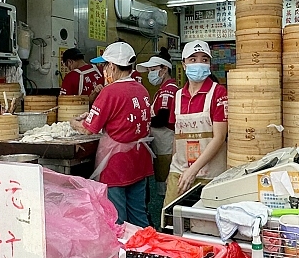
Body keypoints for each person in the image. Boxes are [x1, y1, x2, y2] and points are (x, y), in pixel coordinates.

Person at [71, 42, 154, 227]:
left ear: (113, 67)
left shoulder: (110, 91)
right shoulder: (142, 89)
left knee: (117, 218)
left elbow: (88, 129)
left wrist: (74, 123)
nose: (104, 70)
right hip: (139, 160)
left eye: (105, 65)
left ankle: (122, 254)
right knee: (138, 214)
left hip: (117, 164)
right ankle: (146, 251)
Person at [164, 40, 229, 208]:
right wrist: (173, 167)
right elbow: (176, 137)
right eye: (193, 59)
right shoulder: (178, 96)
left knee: (204, 225)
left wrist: (193, 171)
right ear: (184, 65)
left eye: (204, 59)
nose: (199, 63)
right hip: (179, 172)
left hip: (210, 174)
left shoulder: (218, 92)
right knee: (170, 221)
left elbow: (219, 137)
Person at [136, 49, 178, 188]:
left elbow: (162, 119)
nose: (150, 74)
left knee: (166, 183)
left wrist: (142, 121)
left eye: (152, 70)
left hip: (166, 143)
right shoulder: (165, 88)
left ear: (164, 69)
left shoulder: (168, 90)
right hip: (161, 143)